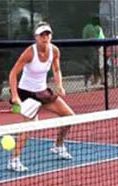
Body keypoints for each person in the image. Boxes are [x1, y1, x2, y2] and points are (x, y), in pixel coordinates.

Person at [7, 23, 75, 172]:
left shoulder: (54, 51)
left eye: (48, 34)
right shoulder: (29, 53)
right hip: (26, 93)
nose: (45, 38)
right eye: (42, 35)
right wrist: (15, 96)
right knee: (30, 126)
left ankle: (58, 146)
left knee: (70, 116)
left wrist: (60, 86)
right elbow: (13, 73)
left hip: (42, 92)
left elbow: (56, 70)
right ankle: (14, 160)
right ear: (36, 37)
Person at [82, 15, 104, 88]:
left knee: (97, 65)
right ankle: (90, 81)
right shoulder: (89, 27)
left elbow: (101, 38)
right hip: (92, 48)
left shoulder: (98, 28)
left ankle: (97, 80)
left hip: (97, 48)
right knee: (93, 65)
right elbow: (85, 38)